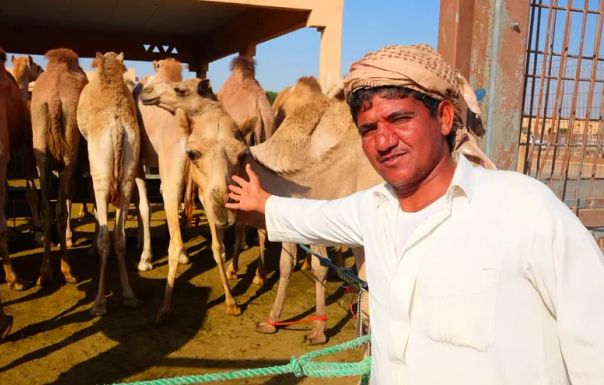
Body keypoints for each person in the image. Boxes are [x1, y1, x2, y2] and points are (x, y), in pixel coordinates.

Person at [225, 44, 604, 385]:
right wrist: (260, 204)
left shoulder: (524, 207)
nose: (384, 141)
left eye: (400, 119)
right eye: (369, 129)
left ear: (442, 117)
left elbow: (594, 340)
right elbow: (308, 216)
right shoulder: (373, 208)